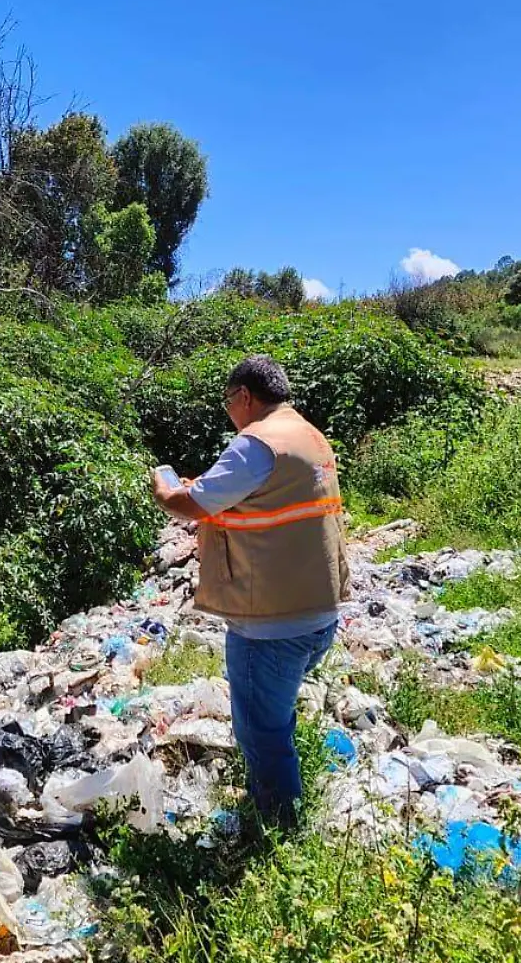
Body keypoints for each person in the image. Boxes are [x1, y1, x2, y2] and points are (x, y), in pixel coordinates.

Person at [150, 354, 349, 828]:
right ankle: (282, 804)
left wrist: (162, 482)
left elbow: (186, 504)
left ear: (243, 396)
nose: (229, 414)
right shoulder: (308, 434)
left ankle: (279, 832)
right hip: (319, 611)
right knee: (274, 721)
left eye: (227, 404)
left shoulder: (255, 444)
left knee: (261, 732)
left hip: (271, 625)